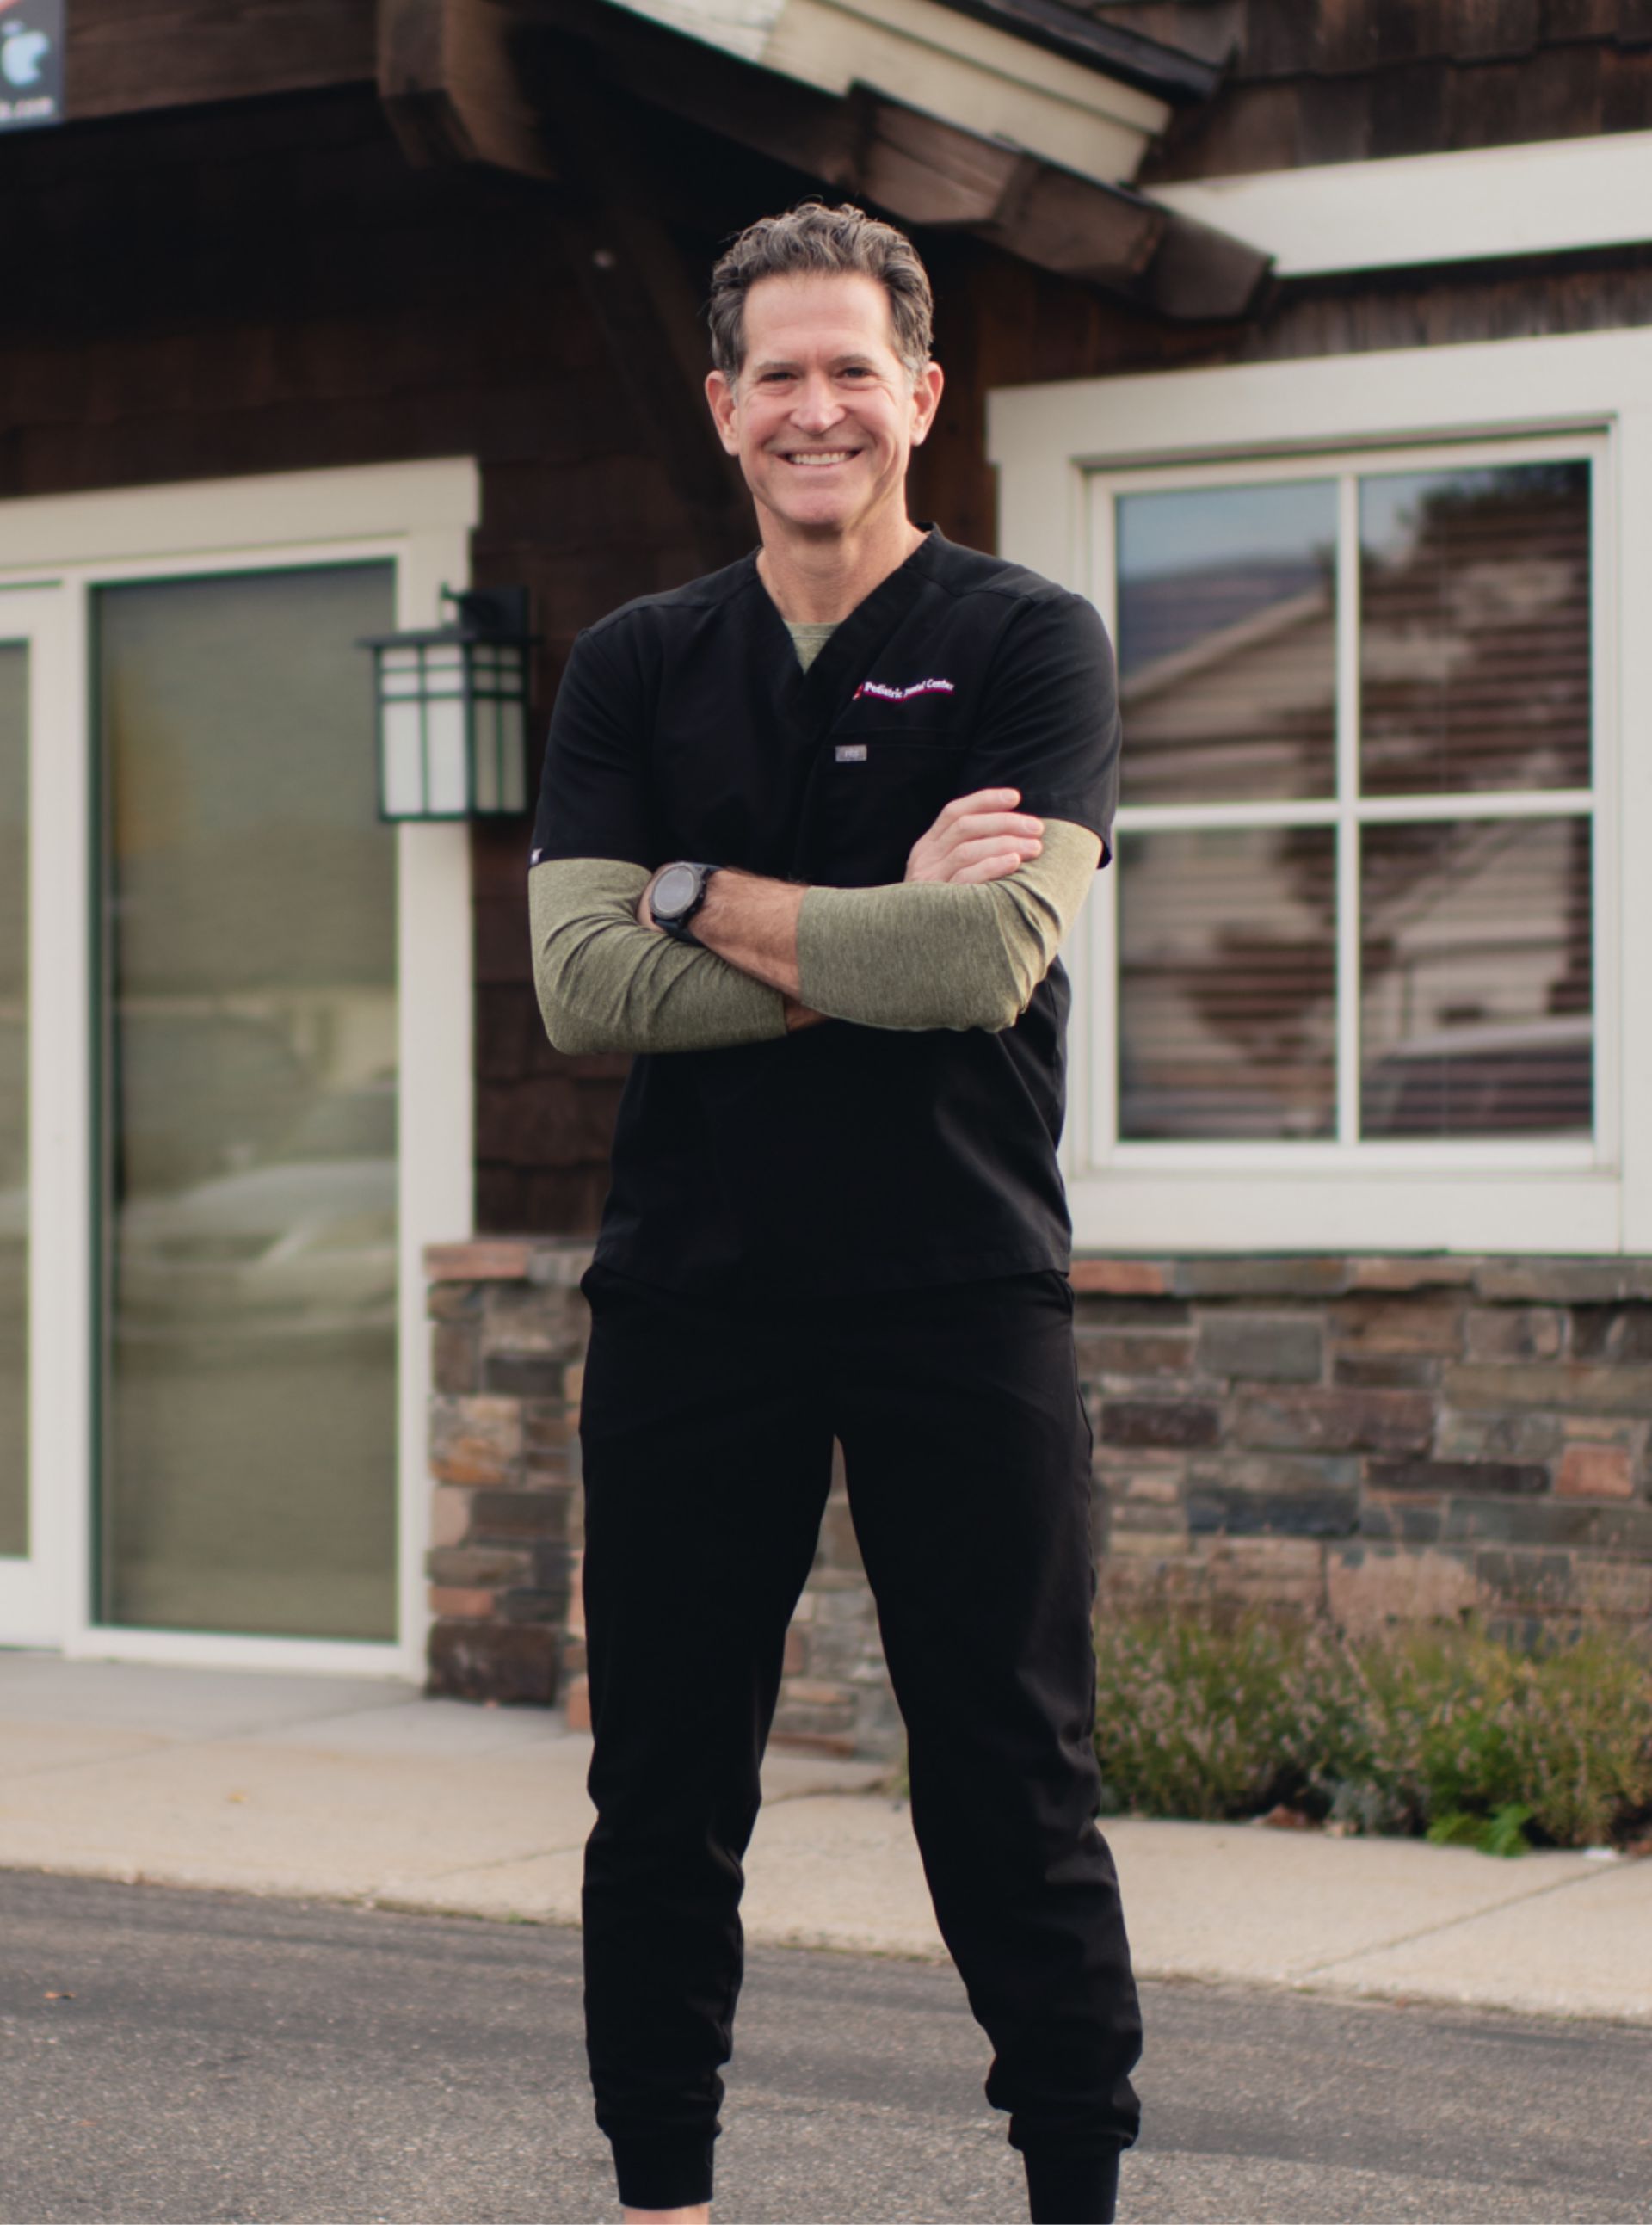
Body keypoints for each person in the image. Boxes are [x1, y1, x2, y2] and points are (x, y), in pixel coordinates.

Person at [528, 201, 1142, 2225]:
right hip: (696, 1304)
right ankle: (665, 2199)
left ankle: (1074, 2189)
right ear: (724, 408)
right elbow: (581, 986)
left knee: (1008, 1778)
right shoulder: (638, 663)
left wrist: (701, 891)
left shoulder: (1028, 641)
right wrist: (887, 903)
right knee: (666, 1792)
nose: (817, 409)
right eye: (776, 375)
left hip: (962, 1288)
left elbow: (988, 969)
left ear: (922, 396)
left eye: (851, 371)